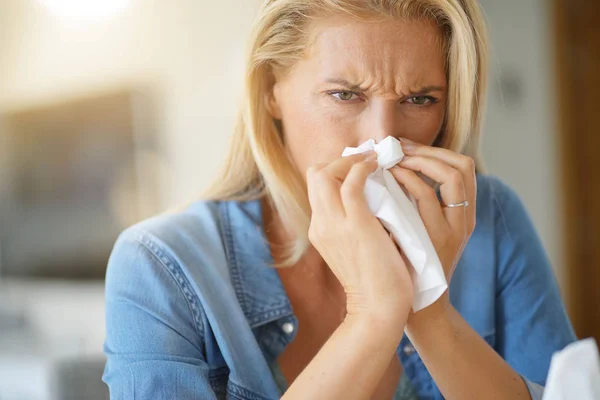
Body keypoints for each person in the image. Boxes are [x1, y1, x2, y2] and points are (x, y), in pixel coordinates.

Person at [102, 0, 576, 399]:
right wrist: (372, 317)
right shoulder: (159, 266)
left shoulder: (489, 219)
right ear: (271, 92)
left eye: (420, 100)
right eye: (345, 94)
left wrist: (428, 309)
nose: (382, 139)